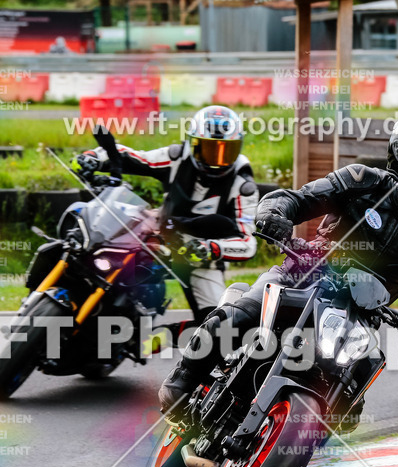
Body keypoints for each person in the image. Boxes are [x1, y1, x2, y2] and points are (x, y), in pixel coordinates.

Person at [158, 113, 398, 417]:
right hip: (304, 274)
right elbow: (297, 199)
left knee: (348, 409)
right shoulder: (361, 181)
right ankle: (181, 382)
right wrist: (276, 215)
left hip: (361, 315)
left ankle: (282, 446)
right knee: (240, 316)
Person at [72, 105, 258, 323]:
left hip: (198, 254)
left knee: (221, 326)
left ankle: (160, 339)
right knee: (95, 256)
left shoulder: (243, 185)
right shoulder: (176, 157)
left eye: (226, 151)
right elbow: (134, 157)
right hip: (157, 237)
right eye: (209, 149)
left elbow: (248, 243)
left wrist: (211, 248)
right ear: (193, 144)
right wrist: (94, 157)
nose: (217, 159)